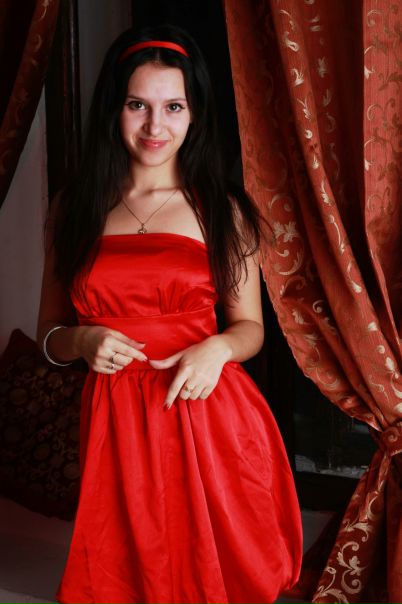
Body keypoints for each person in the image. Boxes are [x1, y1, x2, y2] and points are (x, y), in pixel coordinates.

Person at [37, 24, 302, 604]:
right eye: (138, 105)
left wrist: (218, 348)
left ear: (194, 114)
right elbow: (49, 336)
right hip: (115, 423)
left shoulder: (223, 210)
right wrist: (81, 341)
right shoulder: (72, 208)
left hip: (206, 410)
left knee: (215, 577)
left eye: (173, 106)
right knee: (122, 579)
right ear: (114, 109)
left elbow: (250, 328)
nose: (155, 126)